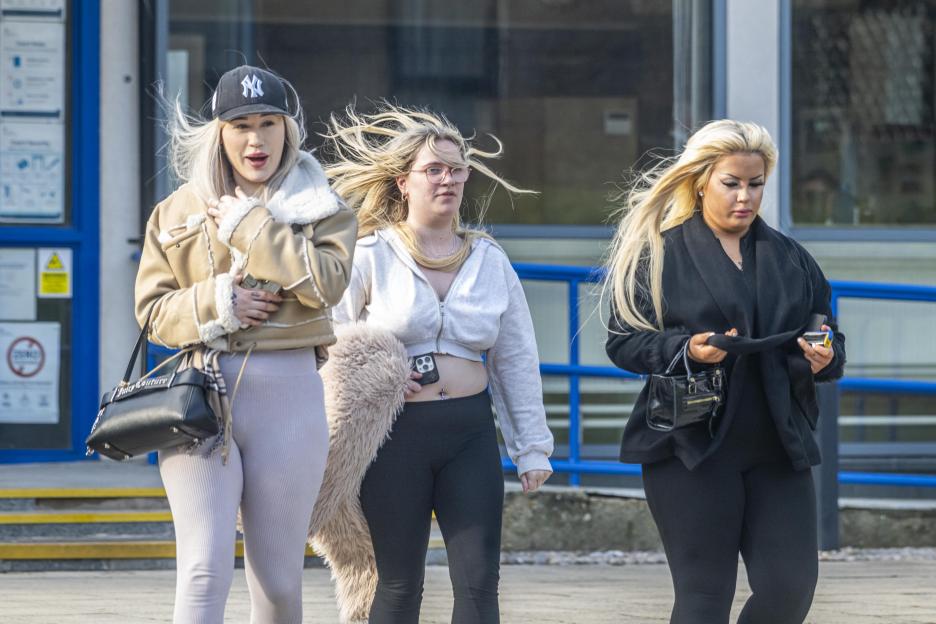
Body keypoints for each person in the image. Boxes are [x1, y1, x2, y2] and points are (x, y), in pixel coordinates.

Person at [134, 65, 357, 623]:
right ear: (219, 133)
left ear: (288, 129)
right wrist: (219, 304)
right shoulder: (176, 211)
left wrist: (252, 226)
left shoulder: (324, 208)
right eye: (240, 126)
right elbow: (153, 313)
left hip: (292, 398)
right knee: (203, 571)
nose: (255, 140)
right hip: (201, 398)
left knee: (278, 582)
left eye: (267, 123)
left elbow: (328, 283)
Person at [603, 120, 846, 624]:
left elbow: (828, 332)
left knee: (790, 589)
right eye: (731, 183)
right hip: (690, 449)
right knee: (703, 599)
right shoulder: (659, 252)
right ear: (700, 181)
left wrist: (826, 357)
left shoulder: (791, 257)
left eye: (755, 184)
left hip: (779, 447)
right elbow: (623, 343)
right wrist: (687, 348)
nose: (745, 196)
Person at [323, 103, 554, 624]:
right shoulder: (370, 253)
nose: (446, 179)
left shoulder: (489, 259)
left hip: (469, 433)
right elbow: (328, 339)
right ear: (404, 182)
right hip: (394, 434)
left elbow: (516, 356)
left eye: (455, 169)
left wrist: (531, 446)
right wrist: (370, 376)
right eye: (433, 169)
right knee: (399, 584)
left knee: (478, 586)